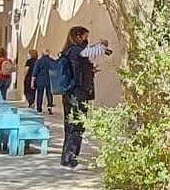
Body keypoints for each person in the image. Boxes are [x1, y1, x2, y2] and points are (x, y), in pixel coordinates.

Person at [57, 26, 110, 168]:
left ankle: (67, 158)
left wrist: (89, 70)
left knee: (70, 126)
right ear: (78, 37)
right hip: (77, 93)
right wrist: (104, 45)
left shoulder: (69, 51)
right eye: (85, 37)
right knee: (77, 126)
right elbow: (93, 51)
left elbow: (78, 69)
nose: (87, 40)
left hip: (70, 93)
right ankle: (70, 160)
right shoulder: (76, 50)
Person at [29, 48, 57, 113]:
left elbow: (35, 72)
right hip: (49, 79)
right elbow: (55, 70)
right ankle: (49, 106)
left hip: (40, 79)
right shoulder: (52, 61)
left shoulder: (39, 61)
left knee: (39, 93)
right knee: (49, 93)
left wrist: (32, 81)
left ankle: (39, 107)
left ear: (42, 53)